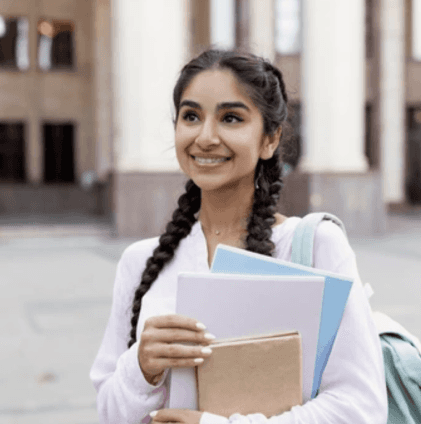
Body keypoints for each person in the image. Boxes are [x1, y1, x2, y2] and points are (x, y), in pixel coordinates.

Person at [90, 49, 387, 424]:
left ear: (270, 139)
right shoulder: (140, 262)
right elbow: (107, 413)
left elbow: (361, 409)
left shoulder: (315, 245)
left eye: (231, 118)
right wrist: (141, 366)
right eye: (191, 116)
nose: (206, 136)